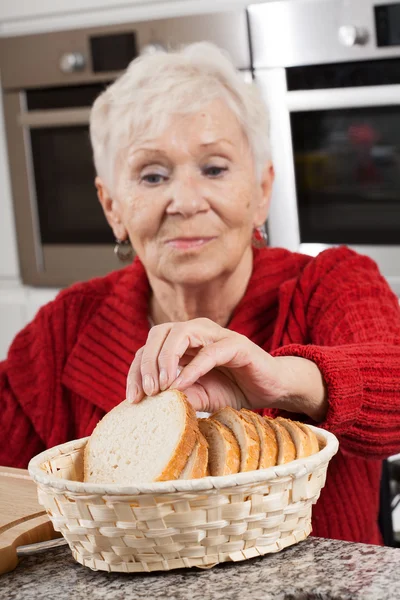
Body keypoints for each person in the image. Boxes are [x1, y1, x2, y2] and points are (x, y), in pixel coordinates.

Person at [1, 43, 399, 546]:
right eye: (152, 175)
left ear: (261, 191)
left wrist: (283, 380)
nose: (186, 202)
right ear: (113, 207)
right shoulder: (65, 327)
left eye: (214, 169)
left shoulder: (331, 283)